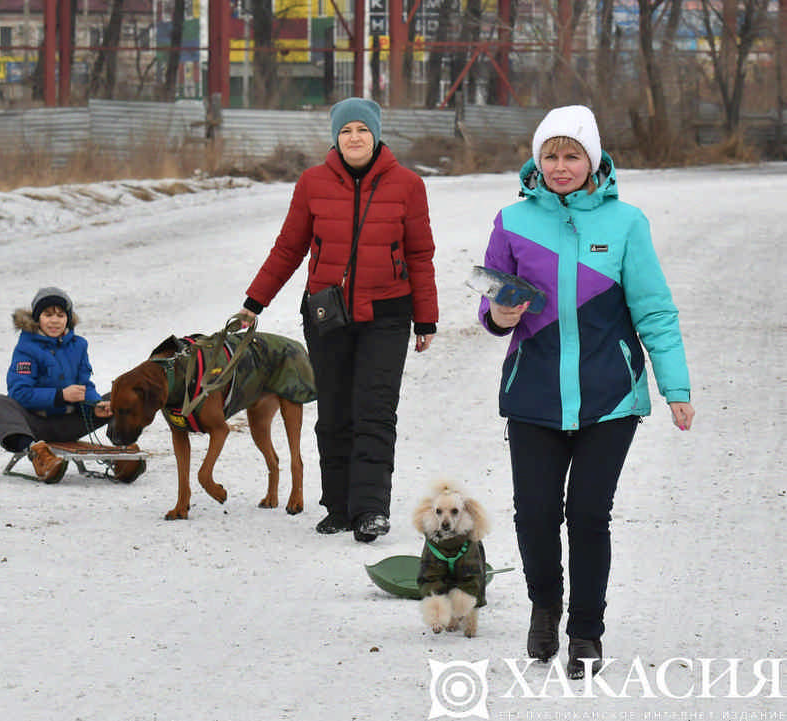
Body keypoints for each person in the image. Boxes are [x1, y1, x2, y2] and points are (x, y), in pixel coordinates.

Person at [477, 105, 695, 678]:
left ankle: (586, 633)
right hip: (534, 396)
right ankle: (544, 605)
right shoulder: (512, 221)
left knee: (588, 515)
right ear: (537, 160)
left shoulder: (626, 223)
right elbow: (491, 306)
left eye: (572, 154)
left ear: (593, 159)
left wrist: (675, 385)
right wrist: (501, 313)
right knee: (535, 514)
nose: (561, 165)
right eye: (550, 154)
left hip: (608, 398)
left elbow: (654, 310)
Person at [239, 97, 439, 542]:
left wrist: (425, 319)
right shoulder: (312, 183)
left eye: (362, 130)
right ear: (336, 137)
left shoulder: (407, 185)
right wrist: (255, 301)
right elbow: (289, 248)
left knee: (374, 410)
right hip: (328, 312)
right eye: (346, 131)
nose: (354, 138)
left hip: (387, 312)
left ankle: (370, 510)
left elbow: (419, 254)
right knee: (332, 411)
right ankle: (339, 506)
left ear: (376, 134)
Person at [0, 287, 145, 483]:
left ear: (68, 319)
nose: (54, 320)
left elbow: (84, 384)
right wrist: (59, 396)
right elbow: (20, 393)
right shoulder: (26, 348)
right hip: (36, 425)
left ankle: (120, 456)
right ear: (37, 318)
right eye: (48, 315)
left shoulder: (79, 345)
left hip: (71, 421)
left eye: (60, 315)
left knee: (117, 397)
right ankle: (39, 457)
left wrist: (95, 405)